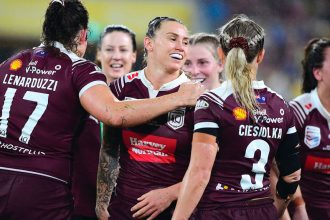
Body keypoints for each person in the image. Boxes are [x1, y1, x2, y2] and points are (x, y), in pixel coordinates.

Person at [0, 1, 204, 219]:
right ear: (83, 36)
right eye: (172, 39)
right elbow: (115, 115)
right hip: (44, 189)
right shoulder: (81, 71)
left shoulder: (11, 64)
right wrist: (178, 99)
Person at [172, 14, 301, 220]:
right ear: (260, 56)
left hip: (218, 211)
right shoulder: (282, 106)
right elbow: (292, 176)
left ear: (221, 55)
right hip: (262, 209)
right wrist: (273, 212)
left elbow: (199, 174)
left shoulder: (212, 102)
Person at [95, 16, 195, 220]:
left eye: (185, 42)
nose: (181, 47)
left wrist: (170, 194)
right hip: (123, 210)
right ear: (149, 43)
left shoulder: (198, 97)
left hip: (173, 213)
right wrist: (102, 202)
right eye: (172, 38)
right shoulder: (122, 87)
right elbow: (109, 149)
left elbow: (211, 169)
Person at [71, 24, 137, 220]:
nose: (116, 56)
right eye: (109, 49)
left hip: (127, 209)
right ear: (98, 53)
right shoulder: (78, 98)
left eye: (123, 50)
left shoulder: (146, 104)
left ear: (134, 55)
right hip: (81, 208)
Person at [289, 38, 330, 220]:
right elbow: (279, 168)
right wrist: (299, 207)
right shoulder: (298, 111)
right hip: (304, 212)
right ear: (318, 73)